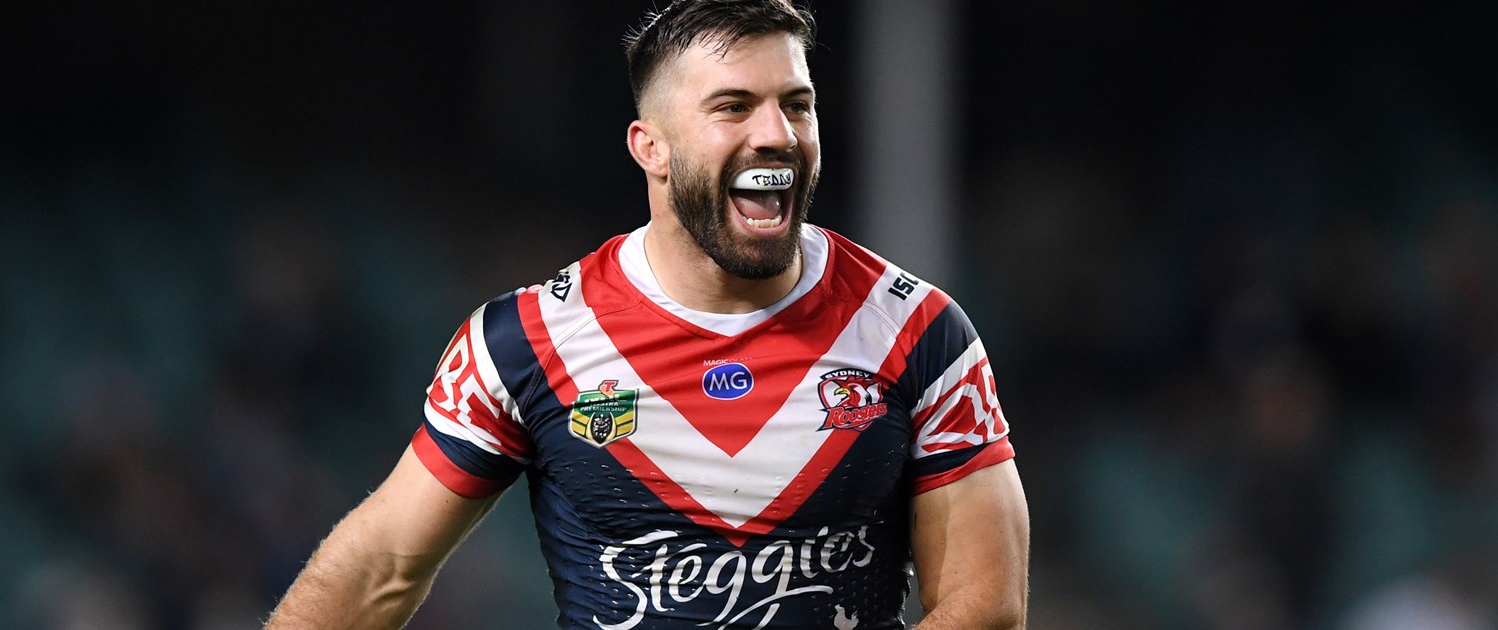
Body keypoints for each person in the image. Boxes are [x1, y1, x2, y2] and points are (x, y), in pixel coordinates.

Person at [265, 1, 1028, 627]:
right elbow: (379, 570)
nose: (776, 135)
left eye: (797, 105)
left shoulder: (919, 331)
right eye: (734, 107)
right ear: (651, 147)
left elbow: (987, 605)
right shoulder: (524, 341)